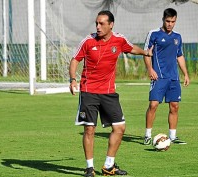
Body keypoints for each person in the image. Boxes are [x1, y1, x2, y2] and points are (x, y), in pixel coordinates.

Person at [69, 10, 152, 177]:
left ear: (111, 25)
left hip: (108, 93)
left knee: (120, 128)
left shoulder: (119, 40)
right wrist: (72, 79)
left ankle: (108, 166)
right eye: (96, 24)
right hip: (89, 92)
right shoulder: (88, 41)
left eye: (102, 24)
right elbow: (75, 59)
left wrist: (145, 52)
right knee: (89, 130)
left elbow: (131, 48)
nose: (98, 27)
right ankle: (89, 168)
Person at [142, 8, 190, 146]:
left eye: (173, 21)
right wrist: (150, 69)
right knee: (153, 105)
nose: (170, 24)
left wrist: (185, 74)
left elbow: (179, 56)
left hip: (173, 78)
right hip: (159, 77)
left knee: (174, 106)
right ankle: (147, 135)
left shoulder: (177, 37)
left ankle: (173, 137)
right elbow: (147, 53)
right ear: (163, 19)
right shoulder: (154, 34)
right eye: (168, 21)